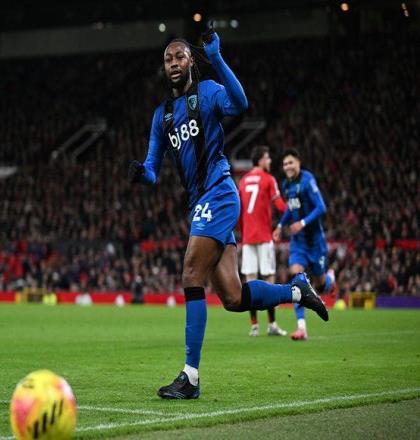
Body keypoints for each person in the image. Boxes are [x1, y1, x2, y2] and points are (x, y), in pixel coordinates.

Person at [129, 30, 328, 400]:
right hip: (200, 203)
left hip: (218, 192)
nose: (174, 63)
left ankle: (190, 377)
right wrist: (142, 173)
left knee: (191, 273)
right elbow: (154, 168)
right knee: (233, 298)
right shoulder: (162, 116)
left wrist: (217, 58)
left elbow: (240, 103)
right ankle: (296, 290)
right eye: (168, 59)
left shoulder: (207, 93)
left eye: (180, 57)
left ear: (191, 61)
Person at [273, 148, 335, 341]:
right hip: (298, 243)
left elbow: (321, 207)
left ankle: (330, 279)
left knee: (320, 284)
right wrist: (280, 225)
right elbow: (290, 209)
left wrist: (303, 223)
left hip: (315, 242)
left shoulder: (308, 181)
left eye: (291, 162)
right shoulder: (286, 185)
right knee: (297, 277)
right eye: (285, 164)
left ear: (298, 163)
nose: (288, 167)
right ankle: (301, 327)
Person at [238, 146, 287, 337]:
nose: (270, 161)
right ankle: (272, 324)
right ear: (260, 160)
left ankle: (254, 326)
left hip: (248, 237)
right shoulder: (268, 179)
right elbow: (280, 205)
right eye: (267, 157)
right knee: (269, 280)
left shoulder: (243, 181)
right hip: (264, 236)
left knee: (250, 282)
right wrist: (292, 211)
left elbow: (239, 211)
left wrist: (243, 232)